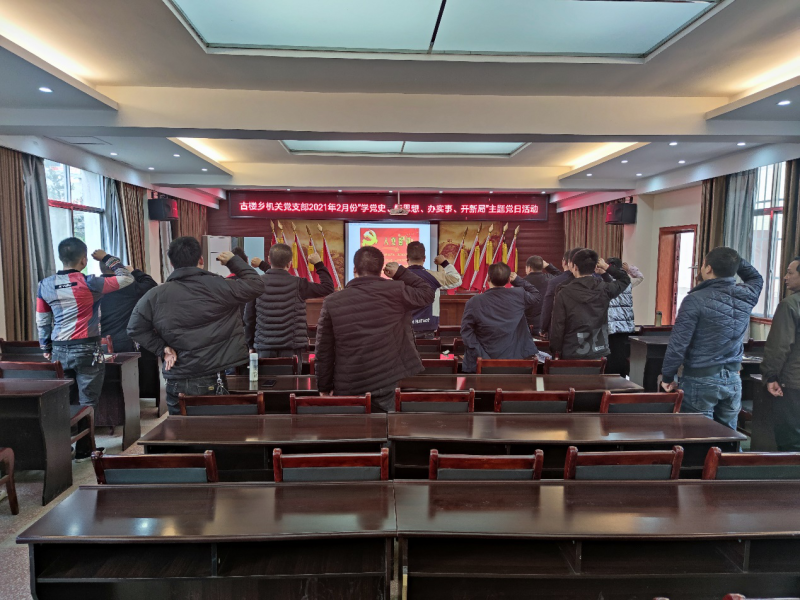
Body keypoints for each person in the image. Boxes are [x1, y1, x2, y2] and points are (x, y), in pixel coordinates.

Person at [128, 236, 265, 414]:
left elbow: (134, 328)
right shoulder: (221, 286)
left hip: (178, 377)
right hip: (212, 374)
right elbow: (256, 284)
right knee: (212, 428)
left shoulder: (154, 295)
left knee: (180, 429)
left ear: (171, 263)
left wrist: (162, 348)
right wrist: (233, 261)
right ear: (201, 259)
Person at [36, 238, 133, 449]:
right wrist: (107, 258)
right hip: (88, 349)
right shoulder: (91, 282)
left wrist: (46, 348)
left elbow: (42, 321)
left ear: (60, 258)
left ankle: (62, 448)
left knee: (63, 401)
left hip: (58, 350)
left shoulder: (44, 285)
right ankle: (84, 449)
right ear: (83, 260)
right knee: (88, 401)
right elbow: (127, 277)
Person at [314, 246, 435, 412]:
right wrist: (400, 272)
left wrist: (324, 386)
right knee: (386, 425)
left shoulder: (332, 301)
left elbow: (324, 350)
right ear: (381, 270)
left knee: (353, 427)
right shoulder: (396, 290)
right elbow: (427, 292)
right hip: (387, 379)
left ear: (354, 269)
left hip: (349, 382)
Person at [660, 247, 763, 430]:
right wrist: (733, 261)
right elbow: (756, 277)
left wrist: (668, 376)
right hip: (733, 378)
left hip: (700, 378)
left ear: (708, 268)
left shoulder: (694, 299)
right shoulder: (747, 295)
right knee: (728, 436)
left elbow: (678, 344)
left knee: (698, 434)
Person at [245, 243, 334, 359]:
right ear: (289, 263)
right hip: (293, 348)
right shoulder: (299, 284)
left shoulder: (256, 284)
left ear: (269, 259)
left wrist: (250, 344)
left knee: (265, 371)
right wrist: (318, 264)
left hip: (264, 346)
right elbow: (328, 288)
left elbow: (249, 318)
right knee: (293, 372)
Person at [550, 250, 631, 360]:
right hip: (598, 351)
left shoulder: (563, 293)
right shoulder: (605, 289)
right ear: (595, 267)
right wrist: (606, 267)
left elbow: (558, 326)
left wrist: (556, 351)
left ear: (574, 267)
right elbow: (625, 279)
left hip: (571, 351)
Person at [460, 262, 540, 373]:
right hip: (515, 360)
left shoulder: (474, 302)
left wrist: (482, 355)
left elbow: (466, 332)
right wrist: (518, 280)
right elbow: (536, 295)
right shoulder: (519, 295)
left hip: (482, 360)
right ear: (508, 280)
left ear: (488, 278)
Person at [761, 257, 800, 450]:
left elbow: (779, 346)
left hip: (793, 382)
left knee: (791, 439)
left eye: (790, 273)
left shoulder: (790, 304)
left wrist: (771, 376)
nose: (785, 277)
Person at [405, 241, 462, 339]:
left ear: (407, 258)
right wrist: (444, 263)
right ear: (424, 258)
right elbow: (457, 280)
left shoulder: (397, 278)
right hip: (428, 331)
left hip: (404, 332)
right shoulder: (434, 277)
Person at [99, 261, 157, 352]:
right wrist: (134, 272)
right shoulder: (125, 285)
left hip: (102, 342)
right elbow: (151, 285)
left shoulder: (94, 286)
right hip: (125, 341)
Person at [605, 258, 644, 377]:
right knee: (622, 353)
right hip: (626, 326)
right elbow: (640, 277)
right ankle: (622, 377)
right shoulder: (628, 281)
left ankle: (609, 377)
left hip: (611, 326)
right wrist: (629, 270)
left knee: (611, 353)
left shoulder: (606, 282)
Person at [539, 247, 584, 338]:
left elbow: (548, 307)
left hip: (561, 331)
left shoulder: (555, 282)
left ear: (565, 262)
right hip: (586, 331)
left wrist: (543, 328)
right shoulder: (595, 282)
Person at [523, 255, 561, 333]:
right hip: (546, 324)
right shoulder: (550, 279)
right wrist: (548, 266)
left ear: (529, 268)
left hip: (527, 324)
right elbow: (561, 276)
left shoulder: (522, 283)